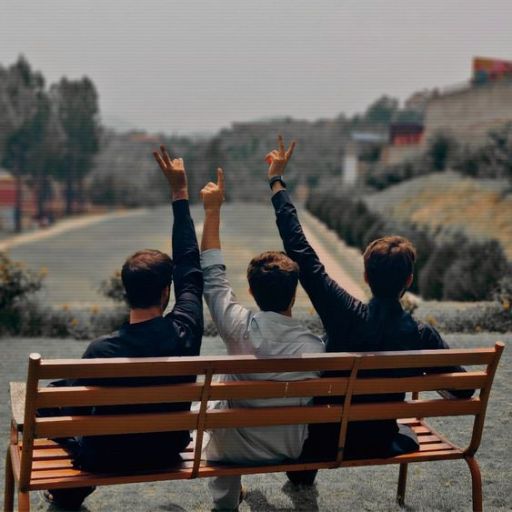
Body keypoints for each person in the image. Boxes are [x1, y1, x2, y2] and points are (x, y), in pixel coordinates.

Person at [265, 135, 473, 485]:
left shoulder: (342, 312)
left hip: (326, 441)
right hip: (382, 440)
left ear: (364, 274)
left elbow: (300, 252)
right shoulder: (421, 336)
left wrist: (276, 182)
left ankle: (304, 474)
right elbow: (463, 389)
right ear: (408, 280)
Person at [43, 147, 204, 510]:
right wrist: (180, 195)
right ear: (166, 293)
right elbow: (191, 274)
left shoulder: (100, 352)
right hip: (167, 450)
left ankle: (67, 495)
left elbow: (76, 412)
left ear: (125, 291)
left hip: (107, 457)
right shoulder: (186, 331)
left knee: (49, 402)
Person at [199, 168, 325, 511]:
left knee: (221, 410)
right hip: (291, 447)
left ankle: (225, 502)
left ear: (251, 291)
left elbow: (212, 277)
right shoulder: (316, 348)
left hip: (232, 448)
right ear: (294, 295)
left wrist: (212, 211)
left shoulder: (237, 326)